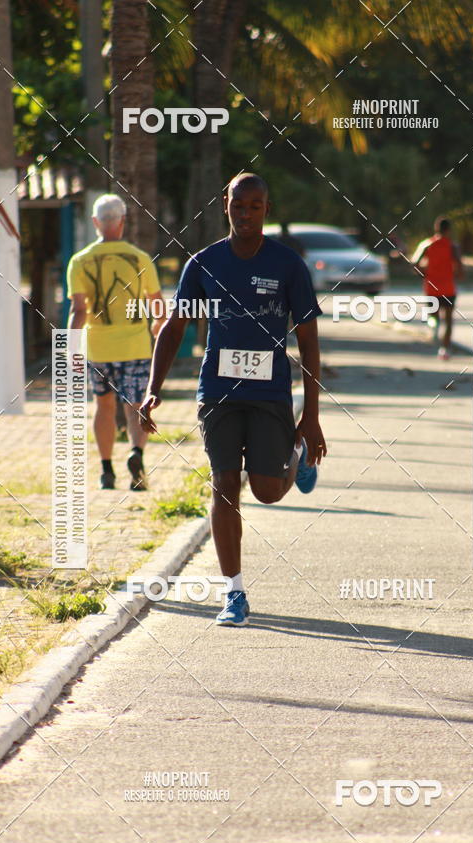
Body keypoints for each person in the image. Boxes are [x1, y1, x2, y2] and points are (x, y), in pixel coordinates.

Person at [139, 173, 326, 627]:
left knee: (265, 491)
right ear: (225, 203)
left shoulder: (288, 266)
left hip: (270, 394)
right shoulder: (204, 263)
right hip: (219, 394)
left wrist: (312, 418)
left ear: (267, 207)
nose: (245, 214)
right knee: (224, 486)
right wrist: (152, 389)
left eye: (255, 206)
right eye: (238, 205)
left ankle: (295, 454)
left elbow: (309, 338)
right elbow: (175, 327)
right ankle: (234, 594)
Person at [67, 194, 165, 490]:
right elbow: (157, 305)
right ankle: (136, 454)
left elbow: (79, 310)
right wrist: (158, 328)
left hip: (99, 347)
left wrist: (71, 348)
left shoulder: (79, 261)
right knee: (136, 407)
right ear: (122, 222)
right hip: (135, 346)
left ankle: (106, 471)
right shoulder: (140, 258)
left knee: (103, 406)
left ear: (95, 223)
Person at [411, 217, 463, 360]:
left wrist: (424, 274)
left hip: (431, 288)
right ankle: (444, 350)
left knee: (433, 316)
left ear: (436, 229)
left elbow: (414, 263)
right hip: (448, 288)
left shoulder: (426, 245)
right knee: (449, 321)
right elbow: (459, 266)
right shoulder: (453, 247)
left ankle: (433, 329)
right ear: (449, 230)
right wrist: (457, 276)